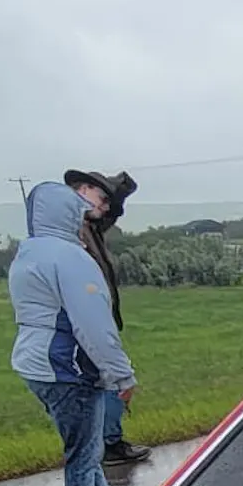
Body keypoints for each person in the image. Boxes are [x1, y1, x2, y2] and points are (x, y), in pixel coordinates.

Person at [9, 180, 138, 486]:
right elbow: (93, 325)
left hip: (36, 365)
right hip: (68, 367)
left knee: (86, 447)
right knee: (82, 455)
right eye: (79, 216)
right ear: (66, 214)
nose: (83, 223)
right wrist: (122, 375)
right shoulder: (70, 258)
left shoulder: (29, 252)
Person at [63, 166, 150, 464]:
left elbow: (109, 214)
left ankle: (104, 441)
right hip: (86, 321)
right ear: (82, 191)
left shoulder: (90, 227)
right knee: (109, 378)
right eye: (102, 198)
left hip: (96, 316)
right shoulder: (71, 231)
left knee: (105, 379)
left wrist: (118, 191)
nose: (105, 207)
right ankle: (106, 444)